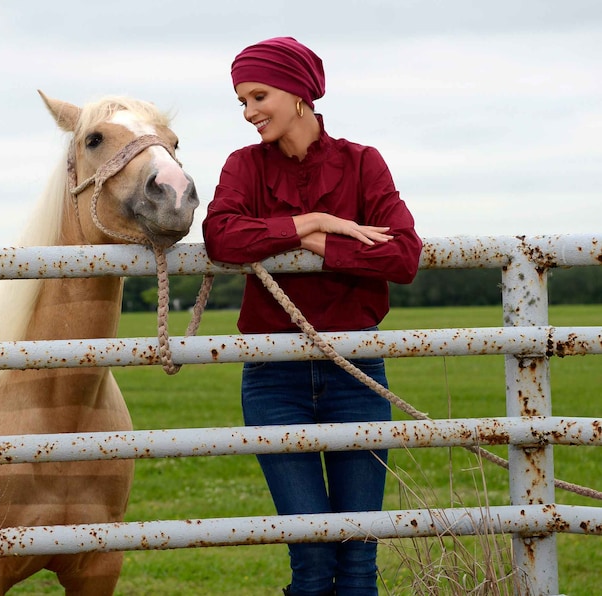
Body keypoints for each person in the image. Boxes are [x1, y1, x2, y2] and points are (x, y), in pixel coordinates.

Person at [202, 37, 422, 595]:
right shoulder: (244, 167)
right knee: (311, 558)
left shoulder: (362, 163)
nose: (249, 112)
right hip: (274, 376)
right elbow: (220, 237)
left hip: (356, 370)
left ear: (299, 92)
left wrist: (324, 247)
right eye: (241, 102)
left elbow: (403, 254)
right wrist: (313, 222)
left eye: (259, 96)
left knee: (357, 559)